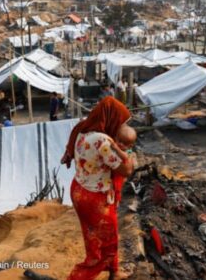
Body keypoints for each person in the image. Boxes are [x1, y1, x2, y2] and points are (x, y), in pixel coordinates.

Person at [61, 97, 134, 280]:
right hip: (96, 198)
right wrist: (129, 155)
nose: (121, 126)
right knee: (106, 243)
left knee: (94, 236)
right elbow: (125, 170)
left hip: (79, 189)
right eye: (121, 122)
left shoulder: (83, 129)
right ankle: (78, 277)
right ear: (111, 118)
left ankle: (114, 271)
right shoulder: (103, 141)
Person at [109, 125, 137, 205]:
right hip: (114, 172)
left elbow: (125, 157)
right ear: (115, 138)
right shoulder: (116, 146)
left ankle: (116, 201)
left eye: (124, 143)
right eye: (119, 141)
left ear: (130, 146)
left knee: (117, 188)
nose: (121, 144)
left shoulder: (128, 151)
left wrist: (117, 149)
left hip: (119, 175)